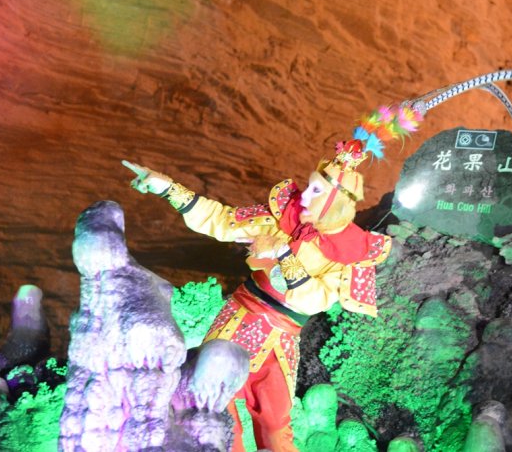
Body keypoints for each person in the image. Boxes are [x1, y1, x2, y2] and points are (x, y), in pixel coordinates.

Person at [123, 105, 421, 451]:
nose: (304, 196)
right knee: (216, 407)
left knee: (277, 423)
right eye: (309, 187)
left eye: (316, 192)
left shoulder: (351, 253)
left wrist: (283, 253)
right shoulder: (282, 218)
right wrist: (168, 188)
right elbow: (221, 220)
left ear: (336, 202)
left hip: (283, 336)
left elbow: (313, 299)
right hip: (236, 321)